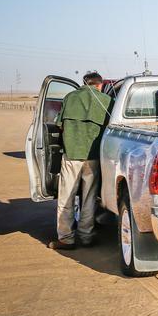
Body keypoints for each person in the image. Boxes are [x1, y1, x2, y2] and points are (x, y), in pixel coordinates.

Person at [50, 71, 112, 250]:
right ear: (99, 85)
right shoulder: (106, 101)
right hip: (93, 158)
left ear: (84, 83)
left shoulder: (70, 97)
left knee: (66, 198)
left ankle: (66, 238)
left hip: (71, 155)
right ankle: (86, 236)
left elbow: (60, 125)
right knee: (89, 198)